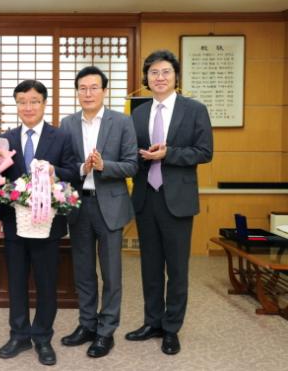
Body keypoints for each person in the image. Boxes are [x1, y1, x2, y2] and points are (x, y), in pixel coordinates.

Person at [125, 50, 213, 355]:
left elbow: (205, 152)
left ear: (176, 76)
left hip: (178, 199)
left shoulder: (195, 109)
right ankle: (152, 322)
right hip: (146, 197)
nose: (159, 77)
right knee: (150, 266)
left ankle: (172, 328)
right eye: (153, 73)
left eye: (165, 72)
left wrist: (169, 153)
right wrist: (140, 156)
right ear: (146, 78)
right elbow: (131, 153)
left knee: (176, 268)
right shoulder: (138, 113)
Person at [0, 80, 76, 366]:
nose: (28, 107)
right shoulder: (5, 139)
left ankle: (42, 337)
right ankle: (19, 335)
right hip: (14, 222)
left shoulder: (61, 137)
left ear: (44, 104)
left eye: (34, 101)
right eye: (22, 102)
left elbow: (73, 172)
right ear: (17, 105)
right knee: (16, 281)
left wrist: (53, 171)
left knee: (46, 282)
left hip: (48, 223)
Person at [59, 66, 138, 358]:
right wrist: (83, 168)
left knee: (111, 273)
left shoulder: (122, 122)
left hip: (111, 206)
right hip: (80, 205)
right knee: (83, 271)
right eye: (83, 88)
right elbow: (65, 166)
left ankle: (106, 332)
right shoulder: (67, 124)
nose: (88, 93)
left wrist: (105, 166)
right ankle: (87, 324)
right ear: (77, 92)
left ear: (105, 91)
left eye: (94, 87)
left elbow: (132, 164)